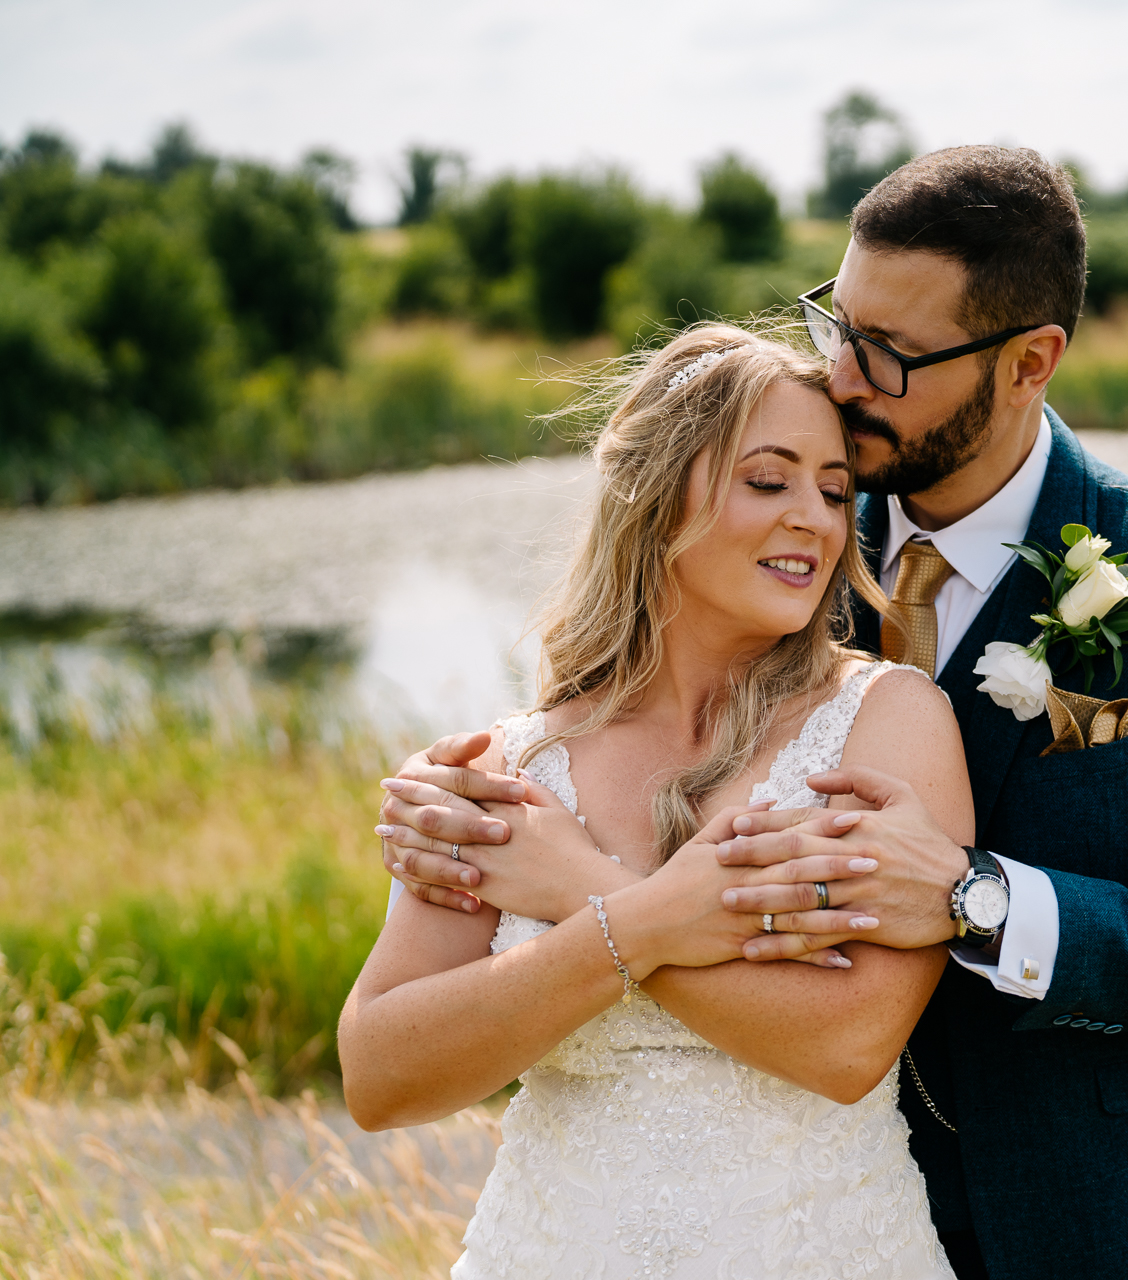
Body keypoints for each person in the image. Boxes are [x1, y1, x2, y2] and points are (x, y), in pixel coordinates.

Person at [384, 146, 1128, 1280]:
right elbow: (614, 732)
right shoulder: (779, 542)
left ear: (1030, 361)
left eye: (893, 354)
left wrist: (975, 898)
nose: (845, 377)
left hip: (1090, 1218)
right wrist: (452, 804)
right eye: (837, 324)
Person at [340, 326, 972, 1279]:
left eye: (836, 490)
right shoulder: (514, 765)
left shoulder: (888, 720)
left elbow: (848, 1047)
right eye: (770, 480)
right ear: (653, 492)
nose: (816, 517)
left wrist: (582, 887)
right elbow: (380, 1076)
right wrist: (650, 919)